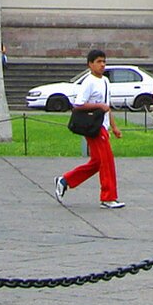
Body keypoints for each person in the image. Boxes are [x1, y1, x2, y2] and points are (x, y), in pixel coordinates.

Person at [53, 50, 124, 208]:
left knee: (98, 161)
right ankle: (108, 197)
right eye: (98, 61)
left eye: (104, 61)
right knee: (106, 161)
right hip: (93, 126)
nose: (102, 65)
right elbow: (79, 104)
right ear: (90, 64)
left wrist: (114, 126)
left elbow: (108, 105)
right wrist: (99, 106)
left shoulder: (105, 81)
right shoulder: (89, 82)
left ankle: (65, 180)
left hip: (102, 125)